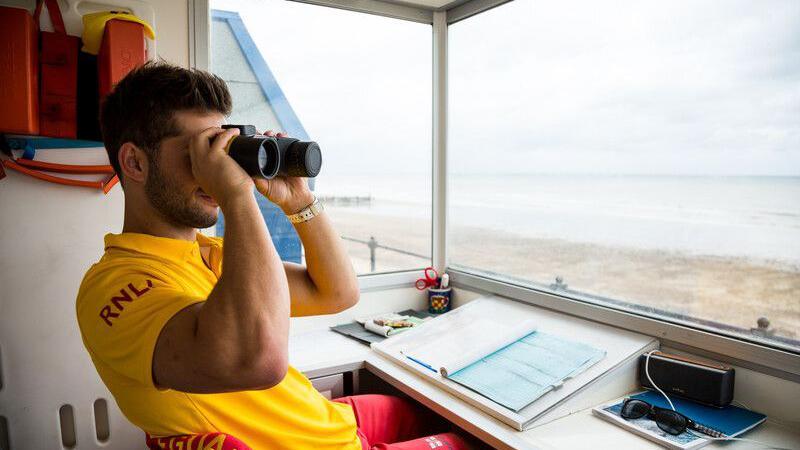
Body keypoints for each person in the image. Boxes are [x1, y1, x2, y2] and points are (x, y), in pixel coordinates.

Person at [75, 61, 472, 450]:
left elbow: (337, 293)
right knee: (466, 440)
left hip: (327, 421)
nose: (218, 166)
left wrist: (299, 201)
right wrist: (235, 195)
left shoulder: (210, 253)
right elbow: (259, 361)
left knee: (414, 411)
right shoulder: (113, 286)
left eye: (223, 147)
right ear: (135, 162)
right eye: (199, 152)